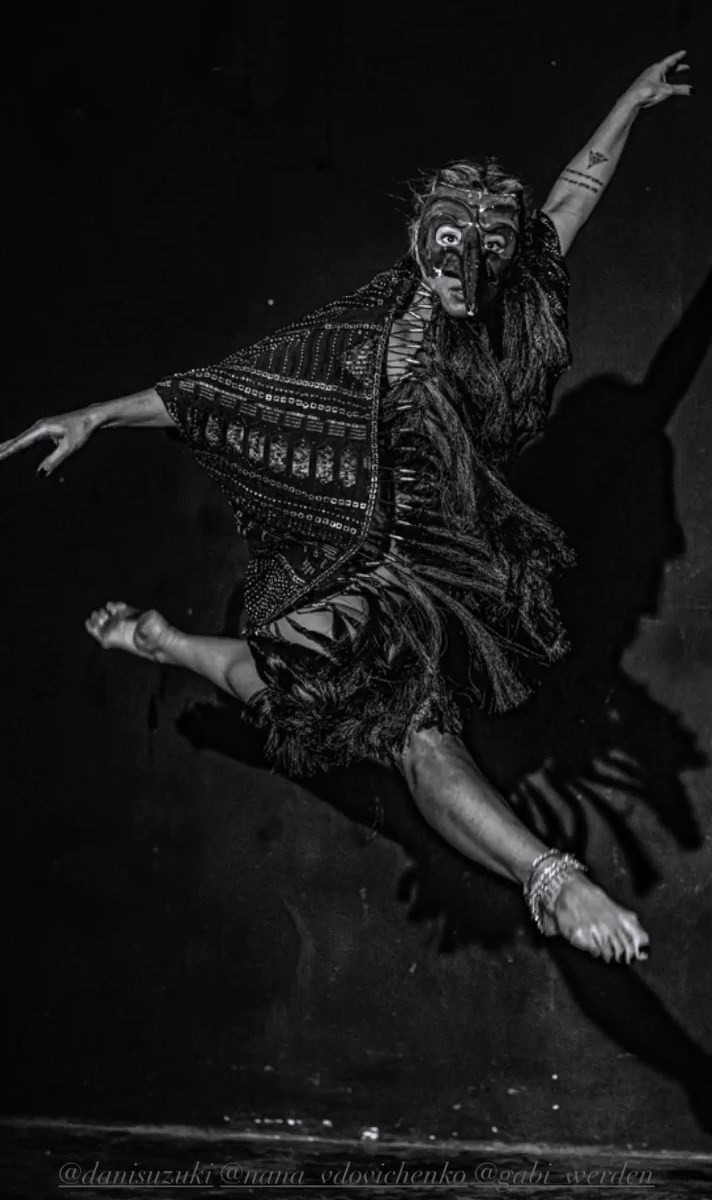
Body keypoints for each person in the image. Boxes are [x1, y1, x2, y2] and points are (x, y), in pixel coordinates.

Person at [1, 53, 692, 965]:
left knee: (322, 703)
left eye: (486, 254)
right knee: (384, 721)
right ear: (421, 240)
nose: (467, 274)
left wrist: (630, 105)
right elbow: (221, 394)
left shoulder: (508, 298)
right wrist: (95, 414)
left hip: (433, 559)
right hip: (345, 550)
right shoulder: (364, 336)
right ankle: (552, 880)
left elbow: (575, 192)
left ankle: (167, 644)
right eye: (450, 250)